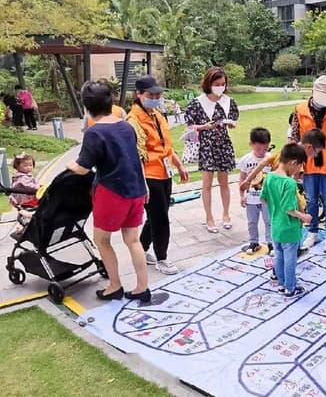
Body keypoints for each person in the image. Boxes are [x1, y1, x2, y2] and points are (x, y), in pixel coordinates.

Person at [67, 81, 151, 302]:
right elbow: (135, 158)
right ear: (110, 102)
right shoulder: (127, 126)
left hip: (112, 193)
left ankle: (114, 286)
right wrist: (144, 186)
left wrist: (69, 165)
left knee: (102, 240)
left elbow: (83, 168)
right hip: (136, 190)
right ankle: (142, 288)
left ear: (87, 107)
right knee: (133, 240)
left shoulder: (94, 132)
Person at [127, 75, 189, 275]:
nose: (155, 98)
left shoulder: (156, 114)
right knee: (160, 219)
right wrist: (142, 183)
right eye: (151, 95)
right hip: (149, 175)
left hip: (164, 171)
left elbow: (166, 146)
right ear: (139, 94)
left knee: (158, 214)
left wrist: (179, 165)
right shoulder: (133, 121)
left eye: (158, 95)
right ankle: (162, 258)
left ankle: (142, 248)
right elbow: (136, 154)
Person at [290, 75, 326, 253]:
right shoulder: (300, 109)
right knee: (311, 200)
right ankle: (313, 231)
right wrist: (296, 165)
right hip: (308, 163)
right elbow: (295, 138)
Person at [184, 67, 240, 233]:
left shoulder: (228, 101)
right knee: (207, 183)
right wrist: (203, 127)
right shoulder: (197, 103)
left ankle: (226, 214)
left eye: (223, 84)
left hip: (223, 144)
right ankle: (209, 217)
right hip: (206, 145)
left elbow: (234, 119)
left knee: (224, 182)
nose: (220, 87)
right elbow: (189, 126)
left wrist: (232, 124)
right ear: (209, 83)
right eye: (217, 84)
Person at [260, 143, 312, 298]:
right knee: (290, 259)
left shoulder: (269, 177)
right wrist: (304, 217)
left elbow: (263, 199)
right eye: (299, 167)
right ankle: (290, 287)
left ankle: (282, 284)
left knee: (279, 256)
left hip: (275, 226)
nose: (298, 171)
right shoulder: (289, 183)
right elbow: (288, 208)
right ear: (293, 163)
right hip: (289, 228)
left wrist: (275, 206)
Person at [238, 127, 274, 254]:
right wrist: (242, 195)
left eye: (265, 149)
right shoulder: (246, 160)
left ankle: (271, 243)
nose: (261, 152)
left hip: (267, 198)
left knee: (269, 221)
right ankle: (254, 242)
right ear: (251, 144)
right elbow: (242, 179)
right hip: (251, 198)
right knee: (252, 222)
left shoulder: (271, 159)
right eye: (258, 149)